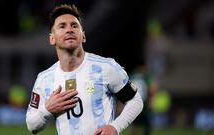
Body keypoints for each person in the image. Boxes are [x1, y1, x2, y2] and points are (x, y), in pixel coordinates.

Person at [26, 4, 143, 135]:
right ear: (52, 39)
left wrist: (115, 127)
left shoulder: (106, 67)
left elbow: (135, 101)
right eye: (62, 26)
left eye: (74, 26)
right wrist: (47, 109)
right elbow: (31, 125)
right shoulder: (44, 79)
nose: (69, 30)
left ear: (83, 36)